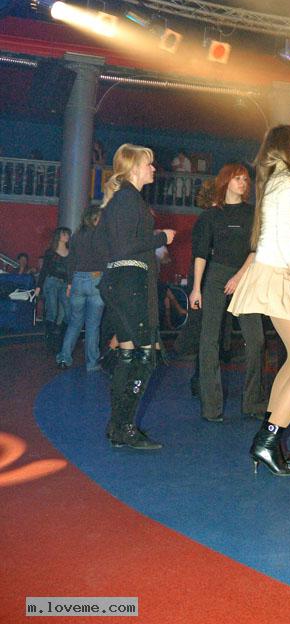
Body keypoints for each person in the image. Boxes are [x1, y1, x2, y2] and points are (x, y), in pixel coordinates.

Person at [229, 125, 290, 476]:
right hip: (278, 276)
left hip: (276, 275)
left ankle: (269, 440)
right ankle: (268, 441)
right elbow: (289, 245)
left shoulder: (285, 181)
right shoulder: (288, 182)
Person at [98, 143, 175, 450]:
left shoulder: (125, 199)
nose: (153, 168)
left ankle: (118, 426)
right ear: (133, 168)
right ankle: (124, 426)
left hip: (126, 282)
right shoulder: (128, 199)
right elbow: (124, 247)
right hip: (130, 283)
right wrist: (161, 237)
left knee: (131, 355)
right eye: (148, 163)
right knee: (145, 356)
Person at [190, 163, 266, 422]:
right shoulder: (211, 216)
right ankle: (211, 407)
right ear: (225, 182)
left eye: (245, 179)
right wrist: (196, 289)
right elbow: (201, 254)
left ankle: (252, 402)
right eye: (237, 179)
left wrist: (239, 276)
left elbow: (256, 249)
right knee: (209, 340)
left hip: (245, 274)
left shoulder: (252, 213)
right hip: (216, 275)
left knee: (256, 340)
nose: (243, 183)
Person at [56, 205, 107, 371]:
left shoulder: (76, 236)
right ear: (95, 218)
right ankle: (92, 363)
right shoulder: (102, 236)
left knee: (74, 323)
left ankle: (64, 358)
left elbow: (71, 262)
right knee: (93, 326)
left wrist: (70, 283)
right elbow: (107, 260)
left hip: (77, 279)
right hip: (96, 279)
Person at [35, 227, 71, 352]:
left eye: (68, 234)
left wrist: (70, 284)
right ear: (58, 236)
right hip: (52, 282)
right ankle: (49, 338)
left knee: (68, 312)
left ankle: (61, 338)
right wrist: (39, 286)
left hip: (64, 283)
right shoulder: (50, 252)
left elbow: (71, 270)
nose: (67, 236)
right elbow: (44, 269)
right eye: (64, 234)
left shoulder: (70, 252)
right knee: (53, 312)